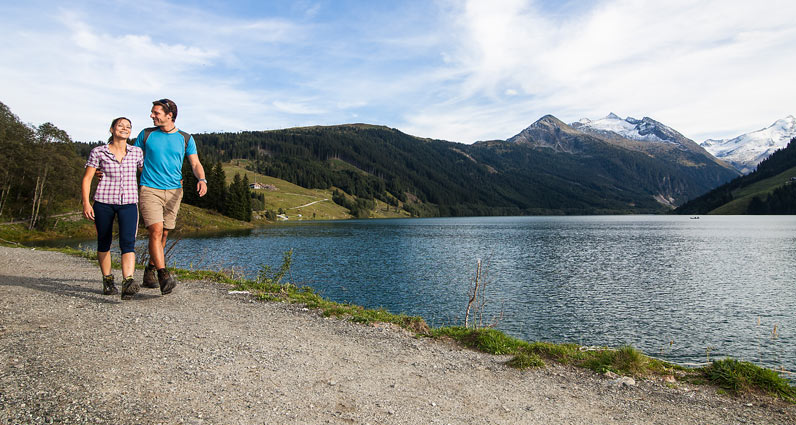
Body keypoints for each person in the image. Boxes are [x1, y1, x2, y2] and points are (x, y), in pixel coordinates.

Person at [136, 98, 207, 294]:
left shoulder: (185, 138)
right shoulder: (146, 134)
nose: (152, 116)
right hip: (149, 189)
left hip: (175, 191)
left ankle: (150, 269)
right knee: (156, 231)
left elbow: (195, 164)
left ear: (170, 116)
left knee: (165, 233)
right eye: (152, 112)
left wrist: (202, 179)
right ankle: (163, 274)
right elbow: (132, 157)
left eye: (156, 113)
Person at [81, 117, 144, 300]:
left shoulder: (136, 152)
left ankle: (128, 282)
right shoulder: (99, 152)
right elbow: (87, 178)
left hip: (129, 203)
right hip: (103, 202)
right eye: (120, 125)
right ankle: (108, 280)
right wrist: (86, 202)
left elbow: (147, 172)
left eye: (128, 127)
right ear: (112, 129)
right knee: (104, 241)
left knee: (128, 243)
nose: (124, 129)